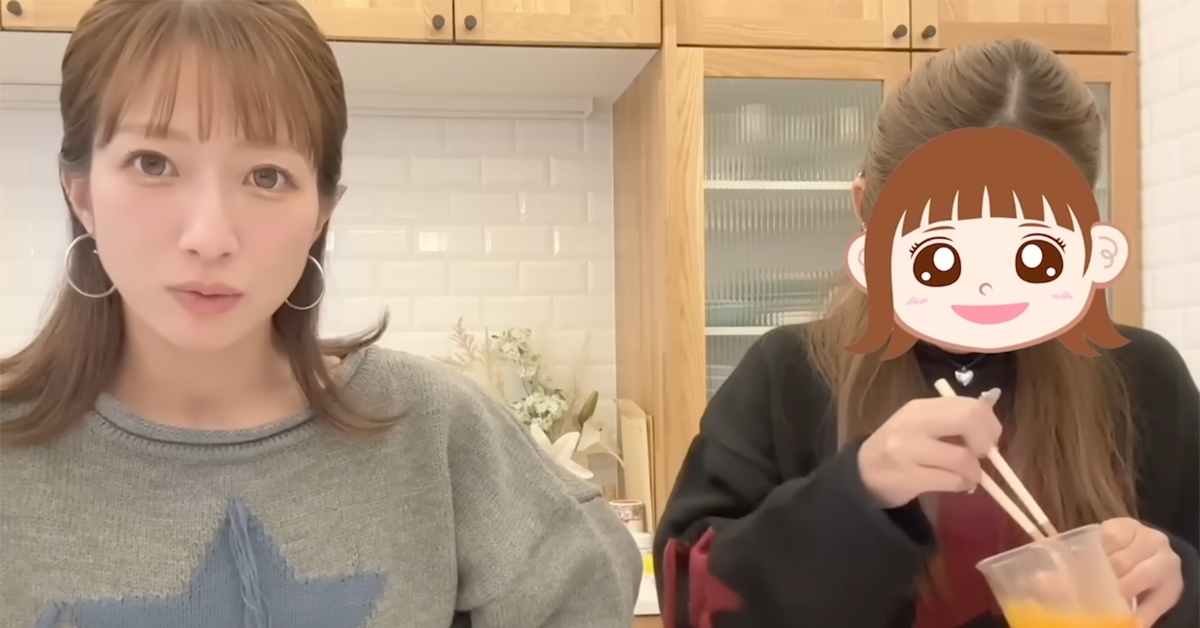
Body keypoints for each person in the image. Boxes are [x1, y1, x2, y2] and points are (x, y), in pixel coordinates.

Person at [0, 1, 641, 627]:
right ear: (81, 194)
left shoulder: (431, 429)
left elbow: (584, 583)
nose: (209, 236)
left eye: (266, 176)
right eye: (153, 163)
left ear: (321, 214)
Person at [653, 39, 1198, 628]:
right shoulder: (789, 374)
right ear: (867, 209)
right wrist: (853, 493)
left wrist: (1180, 580)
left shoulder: (1139, 374)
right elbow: (688, 598)